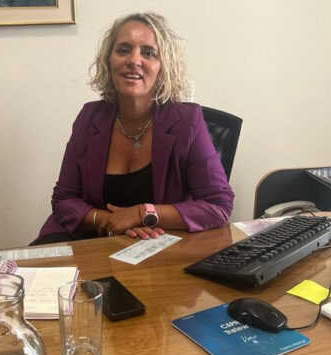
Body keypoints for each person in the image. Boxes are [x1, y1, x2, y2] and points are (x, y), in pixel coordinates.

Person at [32, 12, 234, 245]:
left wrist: (142, 213)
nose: (134, 60)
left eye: (148, 53)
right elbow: (64, 199)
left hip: (157, 246)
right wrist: (109, 221)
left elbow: (218, 205)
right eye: (124, 50)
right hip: (89, 240)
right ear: (108, 60)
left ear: (163, 67)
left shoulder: (187, 121)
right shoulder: (90, 117)